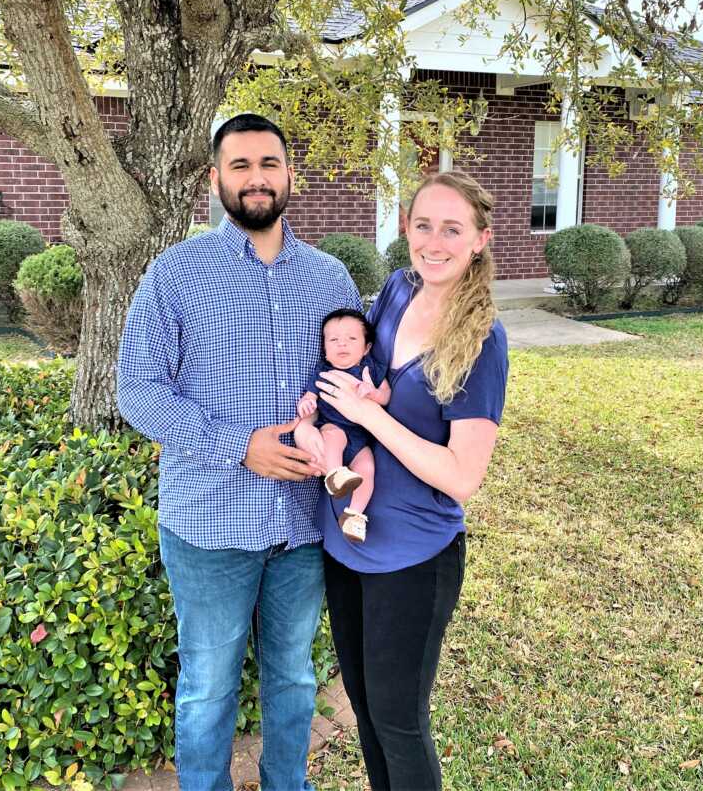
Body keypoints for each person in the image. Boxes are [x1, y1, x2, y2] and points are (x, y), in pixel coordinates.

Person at [116, 113, 361, 791]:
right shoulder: (177, 273)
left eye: (269, 164)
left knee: (293, 675)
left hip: (303, 526)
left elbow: (350, 384)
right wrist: (240, 445)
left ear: (290, 175)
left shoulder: (331, 278)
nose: (257, 178)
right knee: (208, 684)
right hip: (209, 523)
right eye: (241, 165)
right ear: (215, 178)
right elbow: (136, 389)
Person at [313, 171, 509, 791]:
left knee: (399, 718)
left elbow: (463, 475)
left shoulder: (480, 340)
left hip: (414, 554)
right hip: (346, 539)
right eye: (423, 224)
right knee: (367, 710)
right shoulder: (397, 290)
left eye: (453, 228)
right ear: (405, 228)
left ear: (479, 239)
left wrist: (371, 414)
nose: (435, 240)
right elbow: (361, 367)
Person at [294, 308, 391, 543]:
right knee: (334, 438)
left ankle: (354, 514)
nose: (342, 345)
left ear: (366, 347)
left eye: (351, 339)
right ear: (325, 350)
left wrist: (373, 394)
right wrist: (307, 403)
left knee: (367, 467)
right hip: (332, 426)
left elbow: (386, 394)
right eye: (334, 340)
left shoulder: (371, 369)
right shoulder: (323, 371)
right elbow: (310, 396)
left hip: (360, 437)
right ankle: (335, 475)